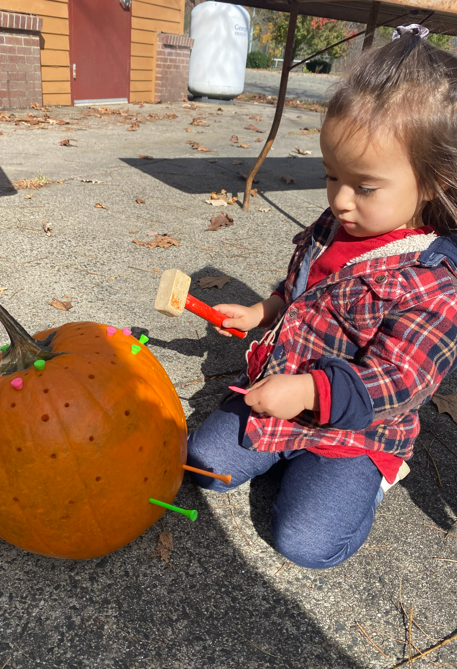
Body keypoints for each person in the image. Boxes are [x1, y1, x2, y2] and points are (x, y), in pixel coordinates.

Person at [186, 25, 457, 569]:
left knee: (307, 543)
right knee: (201, 467)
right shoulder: (335, 226)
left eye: (364, 186)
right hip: (280, 393)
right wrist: (263, 311)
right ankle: (286, 458)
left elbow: (400, 380)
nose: (340, 199)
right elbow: (301, 288)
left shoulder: (433, 280)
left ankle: (369, 483)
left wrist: (310, 391)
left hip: (356, 432)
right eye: (332, 176)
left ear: (431, 182)